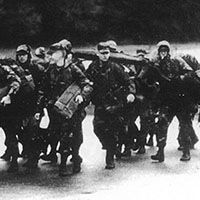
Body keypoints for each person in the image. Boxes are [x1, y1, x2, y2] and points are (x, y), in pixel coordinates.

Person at [37, 42, 90, 176]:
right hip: (55, 109)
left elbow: (87, 85)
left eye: (54, 53)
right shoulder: (50, 70)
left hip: (72, 110)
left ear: (62, 54)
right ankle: (66, 160)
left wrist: (81, 96)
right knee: (56, 134)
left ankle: (69, 162)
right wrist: (39, 108)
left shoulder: (73, 69)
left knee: (73, 136)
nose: (51, 56)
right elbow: (43, 90)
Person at [86, 42, 136, 169]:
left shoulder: (115, 67)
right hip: (100, 103)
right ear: (97, 54)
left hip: (114, 103)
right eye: (102, 53)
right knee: (97, 128)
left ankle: (110, 158)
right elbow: (86, 79)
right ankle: (109, 146)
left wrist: (131, 93)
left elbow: (128, 81)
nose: (105, 56)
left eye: (107, 53)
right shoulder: (93, 67)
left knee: (112, 130)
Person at [149, 40, 197, 162]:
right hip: (167, 101)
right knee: (161, 124)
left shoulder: (177, 61)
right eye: (161, 51)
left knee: (185, 126)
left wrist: (180, 78)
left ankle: (186, 152)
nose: (163, 53)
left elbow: (191, 72)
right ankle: (160, 152)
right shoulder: (156, 64)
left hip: (181, 100)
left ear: (168, 51)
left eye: (165, 51)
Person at [0, 63, 21, 172]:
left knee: (11, 134)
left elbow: (16, 82)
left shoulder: (5, 70)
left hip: (5, 108)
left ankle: (14, 160)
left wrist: (9, 95)